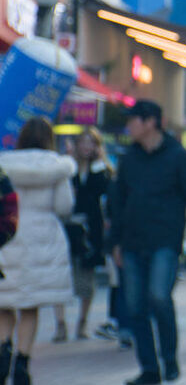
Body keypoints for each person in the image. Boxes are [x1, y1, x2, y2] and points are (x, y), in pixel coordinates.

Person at [108, 100, 186, 385]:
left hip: (165, 241)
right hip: (132, 242)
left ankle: (169, 358)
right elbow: (117, 201)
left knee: (159, 297)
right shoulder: (129, 158)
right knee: (136, 307)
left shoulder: (178, 157)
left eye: (133, 120)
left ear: (150, 122)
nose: (129, 125)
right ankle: (149, 368)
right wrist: (114, 243)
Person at [0, 117, 77, 385]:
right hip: (43, 239)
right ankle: (22, 363)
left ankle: (2, 348)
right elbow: (64, 206)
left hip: (8, 234)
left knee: (4, 302)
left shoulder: (5, 164)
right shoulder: (57, 167)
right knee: (29, 306)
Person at [55, 127, 112, 342]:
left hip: (91, 229)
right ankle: (60, 324)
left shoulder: (102, 169)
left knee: (87, 277)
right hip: (68, 226)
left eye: (92, 143)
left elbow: (102, 190)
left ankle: (82, 322)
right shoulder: (67, 167)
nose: (87, 147)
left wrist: (98, 165)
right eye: (84, 142)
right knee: (60, 275)